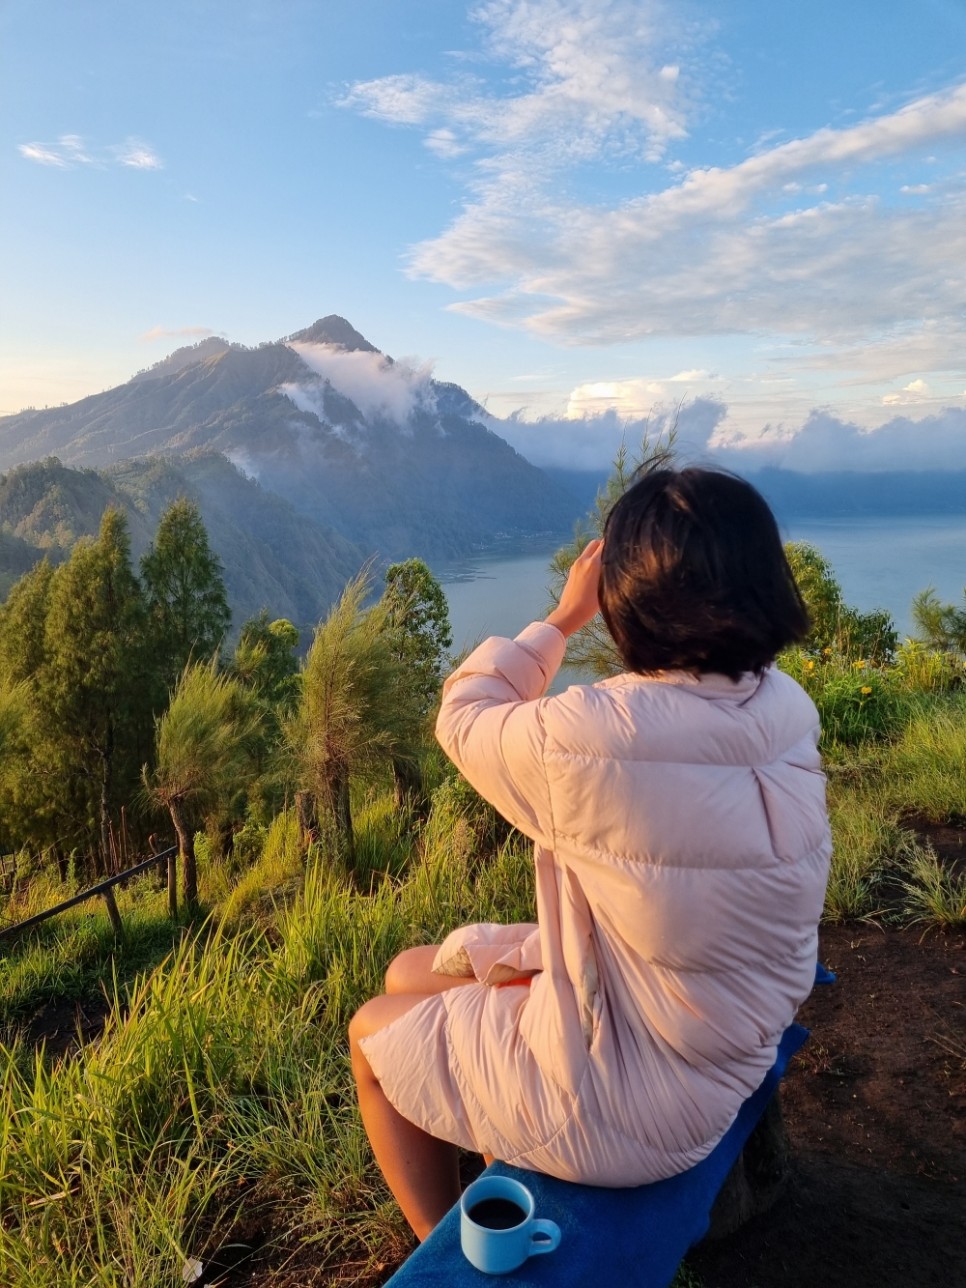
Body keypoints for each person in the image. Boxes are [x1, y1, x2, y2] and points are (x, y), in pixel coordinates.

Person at [349, 466, 831, 1241]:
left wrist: (563, 618)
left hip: (642, 1098)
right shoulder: (783, 703)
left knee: (371, 1031)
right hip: (716, 1015)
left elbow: (465, 715)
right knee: (413, 970)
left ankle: (451, 1251)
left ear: (628, 596)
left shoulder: (598, 735)